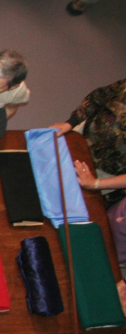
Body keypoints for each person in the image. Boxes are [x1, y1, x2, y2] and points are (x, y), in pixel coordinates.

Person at [51, 79, 126, 265]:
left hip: (107, 175)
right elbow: (97, 97)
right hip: (81, 142)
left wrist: (96, 184)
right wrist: (71, 123)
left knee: (69, 220)